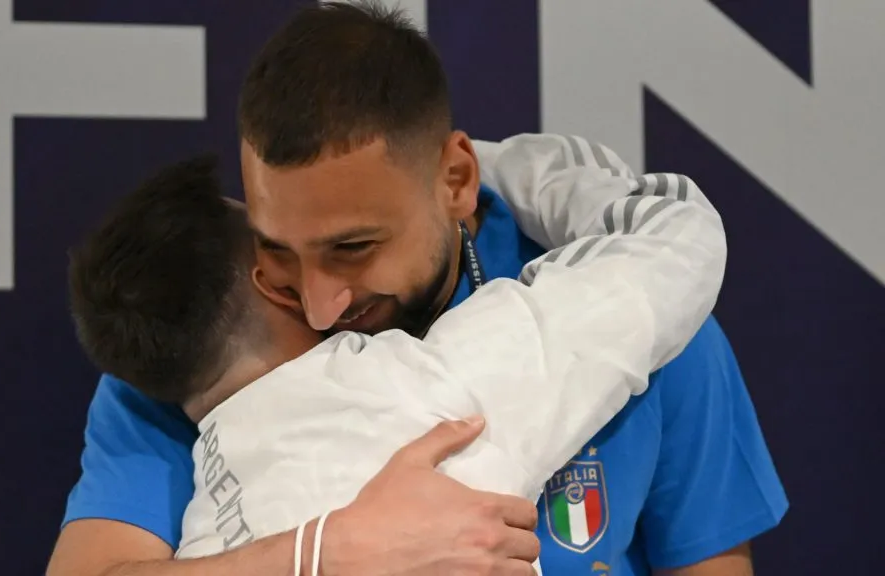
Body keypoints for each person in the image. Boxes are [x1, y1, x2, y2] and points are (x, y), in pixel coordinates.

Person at [47, 3, 787, 575]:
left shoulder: (638, 326)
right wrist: (330, 550)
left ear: (458, 180)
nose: (317, 302)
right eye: (279, 254)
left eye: (353, 248)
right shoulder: (207, 339)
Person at [65, 143, 724, 573]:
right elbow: (672, 237)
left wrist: (309, 557)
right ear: (272, 277)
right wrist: (500, 167)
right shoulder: (415, 388)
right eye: (282, 242)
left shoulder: (204, 533)